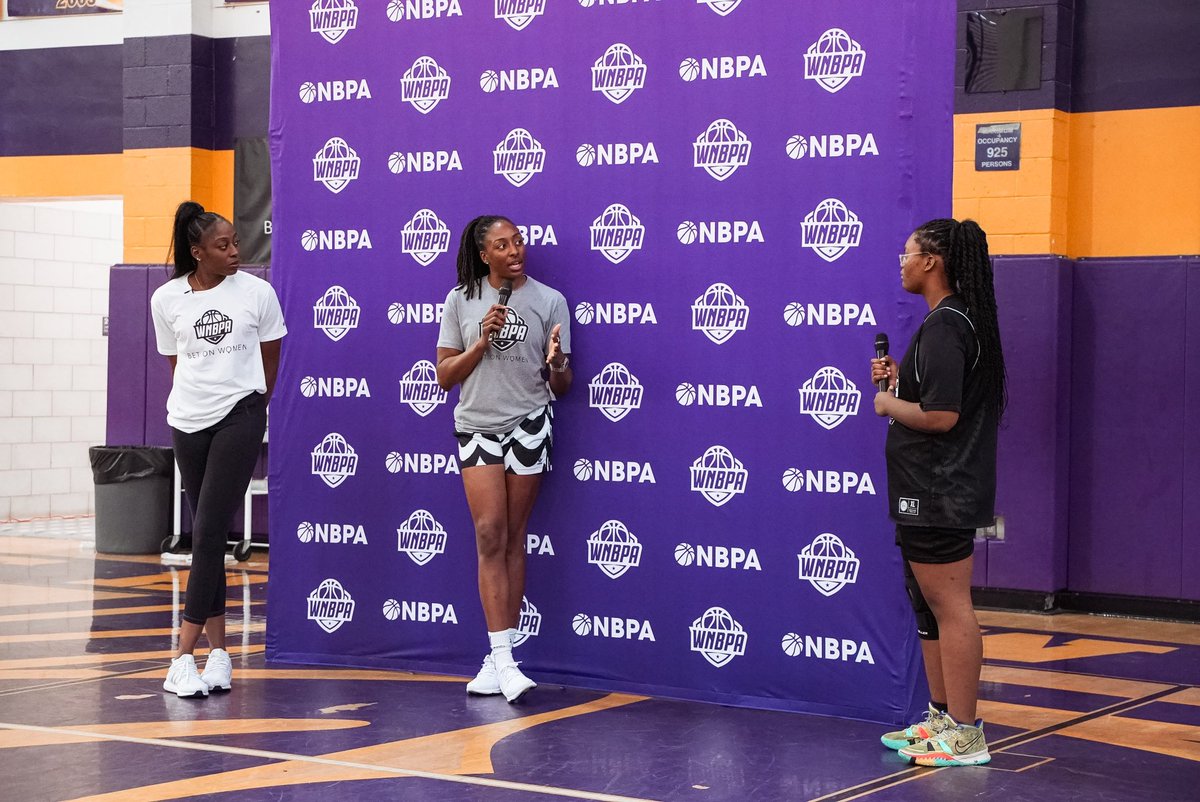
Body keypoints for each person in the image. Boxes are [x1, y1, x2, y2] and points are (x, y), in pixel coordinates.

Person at [870, 218, 1006, 767]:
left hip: (940, 490)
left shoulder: (949, 324)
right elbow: (934, 397)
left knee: (951, 607)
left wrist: (887, 403)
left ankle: (967, 735)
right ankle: (943, 718)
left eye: (907, 253)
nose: (900, 262)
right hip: (922, 489)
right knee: (927, 606)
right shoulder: (942, 325)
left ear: (931, 262)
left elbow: (942, 416)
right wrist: (903, 380)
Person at [151, 201, 286, 698]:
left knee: (206, 531)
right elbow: (175, 361)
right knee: (210, 535)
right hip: (187, 420)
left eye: (235, 242)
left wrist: (252, 403)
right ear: (197, 252)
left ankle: (180, 657)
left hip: (241, 415)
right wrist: (199, 401)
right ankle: (221, 656)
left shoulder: (258, 293)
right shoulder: (166, 299)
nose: (236, 251)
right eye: (223, 245)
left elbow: (272, 357)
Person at [436, 215, 572, 703]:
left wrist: (556, 363)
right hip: (477, 427)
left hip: (530, 423)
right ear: (483, 254)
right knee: (489, 532)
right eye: (503, 245)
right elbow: (445, 376)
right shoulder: (460, 300)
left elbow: (560, 385)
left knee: (514, 536)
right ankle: (503, 659)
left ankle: (500, 658)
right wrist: (481, 342)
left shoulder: (549, 300)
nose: (515, 250)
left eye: (518, 241)